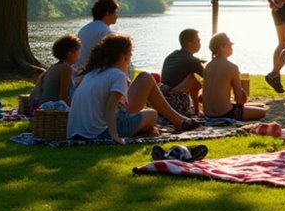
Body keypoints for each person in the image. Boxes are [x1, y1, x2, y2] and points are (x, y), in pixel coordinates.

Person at [67, 34, 200, 143]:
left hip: (78, 132)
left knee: (145, 78)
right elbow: (110, 107)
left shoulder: (92, 74)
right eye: (130, 55)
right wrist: (114, 136)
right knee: (152, 114)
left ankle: (178, 120)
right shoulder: (117, 75)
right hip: (102, 132)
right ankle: (178, 121)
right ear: (125, 57)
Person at [201, 33, 267, 121]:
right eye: (230, 44)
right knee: (262, 112)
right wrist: (242, 91)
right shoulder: (232, 67)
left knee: (255, 106)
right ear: (222, 47)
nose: (232, 47)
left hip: (208, 114)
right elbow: (239, 100)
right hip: (225, 114)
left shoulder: (207, 66)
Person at [160, 28, 206, 115]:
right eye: (198, 41)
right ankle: (197, 110)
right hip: (174, 103)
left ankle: (196, 110)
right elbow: (208, 77)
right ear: (190, 43)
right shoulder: (191, 60)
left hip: (161, 101)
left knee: (194, 79)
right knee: (193, 76)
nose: (200, 44)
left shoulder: (171, 56)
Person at [29, 34, 80, 110]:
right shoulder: (66, 69)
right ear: (70, 53)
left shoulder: (54, 67)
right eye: (78, 50)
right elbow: (63, 98)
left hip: (43, 106)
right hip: (52, 108)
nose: (79, 54)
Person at [73, 0, 119, 73]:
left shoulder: (85, 28)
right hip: (88, 72)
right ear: (107, 13)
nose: (117, 16)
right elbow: (113, 58)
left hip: (77, 71)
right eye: (115, 12)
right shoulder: (105, 31)